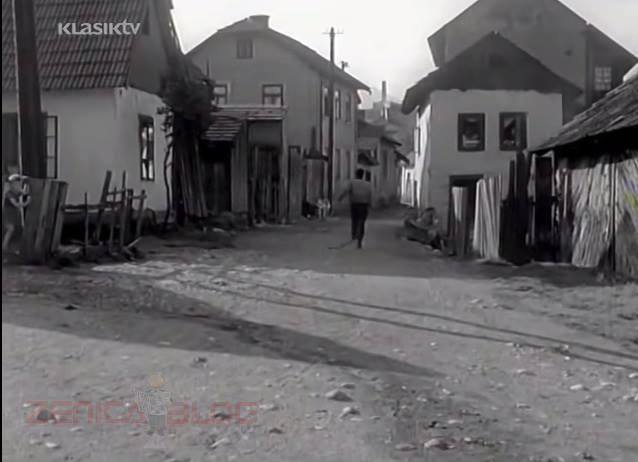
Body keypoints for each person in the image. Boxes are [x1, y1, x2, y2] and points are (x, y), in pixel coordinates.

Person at [338, 168, 372, 249]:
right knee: (362, 222)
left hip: (355, 204)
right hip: (364, 205)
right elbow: (370, 195)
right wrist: (370, 204)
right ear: (363, 175)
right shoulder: (367, 184)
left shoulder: (352, 182)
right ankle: (360, 240)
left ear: (356, 174)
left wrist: (340, 197)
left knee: (354, 220)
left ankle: (354, 235)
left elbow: (346, 191)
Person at [3, 174, 30, 253]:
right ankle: (4, 246)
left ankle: (6, 246)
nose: (17, 186)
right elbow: (16, 204)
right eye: (15, 184)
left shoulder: (17, 192)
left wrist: (26, 183)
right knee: (10, 229)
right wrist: (26, 202)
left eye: (18, 184)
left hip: (13, 215)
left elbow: (25, 192)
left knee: (13, 229)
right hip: (7, 214)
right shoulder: (9, 194)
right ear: (11, 185)